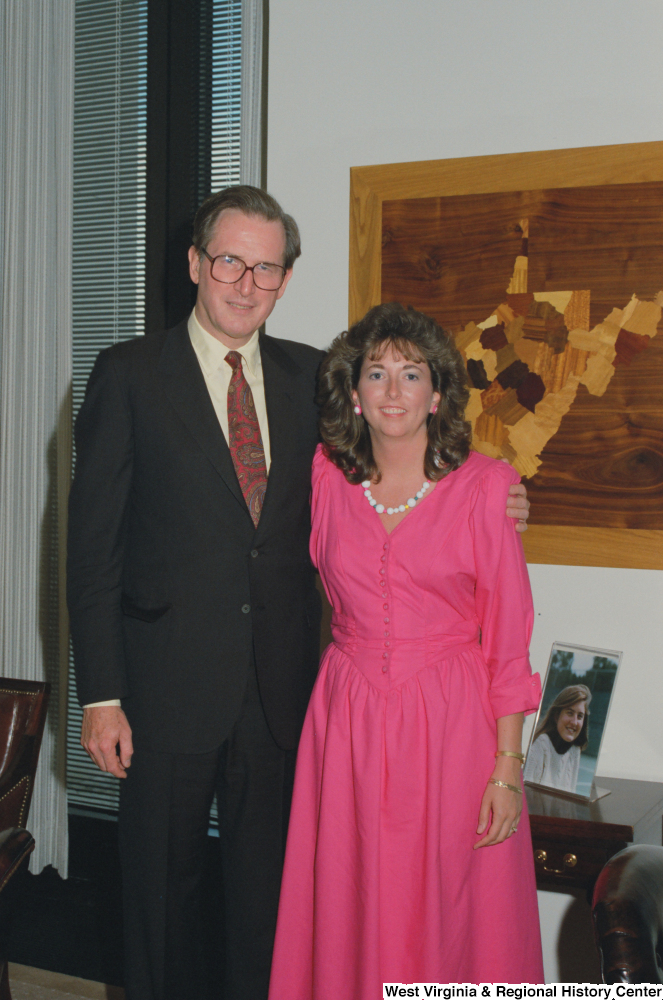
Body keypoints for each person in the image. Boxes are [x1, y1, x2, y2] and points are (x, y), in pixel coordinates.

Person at [67, 187, 531, 1000]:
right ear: (194, 264)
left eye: (267, 268)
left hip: (287, 699)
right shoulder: (128, 374)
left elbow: (396, 448)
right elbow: (90, 550)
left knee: (272, 911)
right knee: (157, 904)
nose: (246, 283)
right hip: (164, 690)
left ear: (284, 279)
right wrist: (100, 693)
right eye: (230, 262)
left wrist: (499, 492)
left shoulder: (313, 379)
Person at [268, 303, 544, 997]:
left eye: (411, 374)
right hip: (347, 722)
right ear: (354, 395)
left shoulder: (488, 488)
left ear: (438, 394)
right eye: (377, 373)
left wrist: (506, 770)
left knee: (450, 911)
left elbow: (507, 644)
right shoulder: (325, 480)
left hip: (452, 726)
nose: (393, 391)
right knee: (348, 899)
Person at [524, 684, 591, 792]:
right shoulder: (542, 744)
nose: (574, 722)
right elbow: (525, 793)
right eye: (570, 713)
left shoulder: (575, 751)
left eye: (579, 716)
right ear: (556, 716)